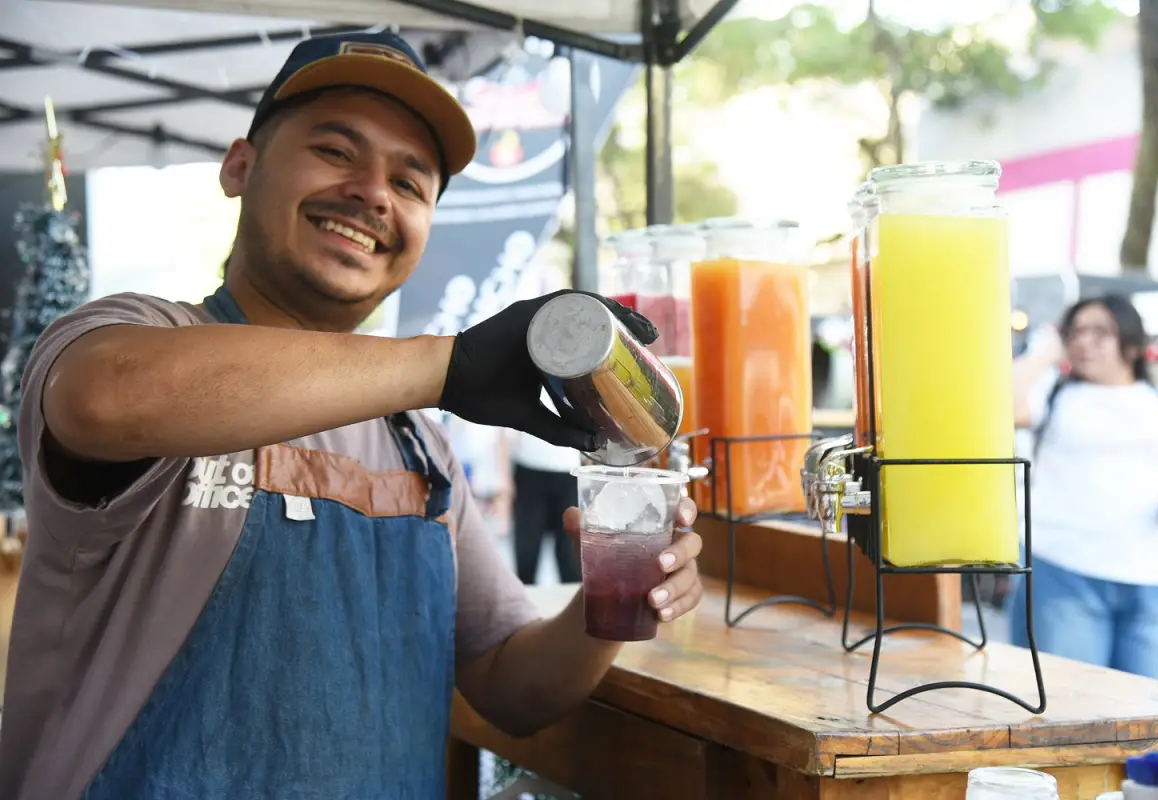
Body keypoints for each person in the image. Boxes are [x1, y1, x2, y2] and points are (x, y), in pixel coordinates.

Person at [0, 31, 703, 800]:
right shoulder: (141, 335)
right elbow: (107, 401)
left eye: (410, 184)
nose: (374, 193)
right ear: (240, 166)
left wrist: (617, 601)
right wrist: (447, 365)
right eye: (336, 151)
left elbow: (511, 686)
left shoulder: (417, 442)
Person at [1009, 294, 1158, 683]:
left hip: (1153, 580)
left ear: (1130, 342)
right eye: (1076, 331)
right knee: (1072, 714)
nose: (1084, 341)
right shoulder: (1055, 393)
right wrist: (1043, 353)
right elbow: (1000, 406)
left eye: (1100, 331)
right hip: (1065, 572)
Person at [509, 391, 583, 585]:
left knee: (569, 557)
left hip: (570, 471)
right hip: (528, 468)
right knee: (526, 552)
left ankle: (574, 611)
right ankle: (522, 610)